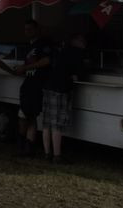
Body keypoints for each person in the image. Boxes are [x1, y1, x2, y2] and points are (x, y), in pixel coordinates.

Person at [41, 34, 86, 163]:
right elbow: (81, 73)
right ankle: (57, 156)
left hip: (48, 86)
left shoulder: (62, 50)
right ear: (79, 42)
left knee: (46, 123)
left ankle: (47, 153)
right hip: (60, 89)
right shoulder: (77, 52)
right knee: (57, 124)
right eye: (84, 41)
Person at [15, 19, 53, 157]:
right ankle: (23, 146)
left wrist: (25, 67)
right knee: (25, 115)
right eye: (26, 29)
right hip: (27, 85)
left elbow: (46, 61)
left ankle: (28, 147)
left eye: (30, 29)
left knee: (29, 116)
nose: (27, 32)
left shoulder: (43, 45)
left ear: (37, 30)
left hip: (37, 86)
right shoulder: (28, 46)